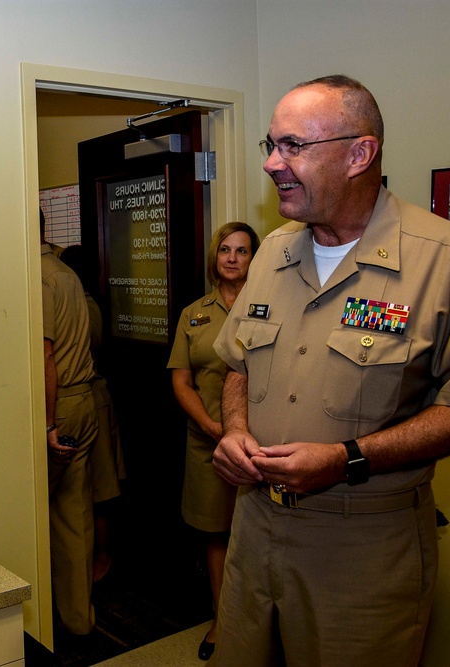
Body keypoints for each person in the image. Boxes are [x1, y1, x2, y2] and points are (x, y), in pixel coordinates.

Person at [210, 74, 450, 666]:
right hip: (254, 530)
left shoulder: (443, 256)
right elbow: (239, 363)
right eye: (270, 145)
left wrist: (347, 457)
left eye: (293, 146)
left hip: (363, 548)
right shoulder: (273, 251)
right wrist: (234, 429)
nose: (273, 163)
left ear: (360, 153)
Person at [166, 221, 259, 661]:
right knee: (216, 534)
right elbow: (182, 381)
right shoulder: (194, 313)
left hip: (262, 446)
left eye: (242, 251)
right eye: (225, 249)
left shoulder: (271, 305)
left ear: (254, 259)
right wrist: (208, 424)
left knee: (258, 533)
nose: (232, 258)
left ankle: (256, 624)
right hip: (208, 442)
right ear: (214, 257)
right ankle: (222, 620)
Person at [40, 209, 98, 636]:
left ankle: (34, 624)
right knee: (73, 516)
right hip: (83, 399)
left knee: (35, 512)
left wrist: (45, 425)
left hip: (56, 407)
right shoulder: (65, 272)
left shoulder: (39, 277)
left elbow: (45, 355)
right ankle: (79, 618)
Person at [59, 244, 125, 584]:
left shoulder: (84, 307)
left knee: (97, 489)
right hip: (94, 398)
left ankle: (101, 556)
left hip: (92, 398)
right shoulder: (84, 303)